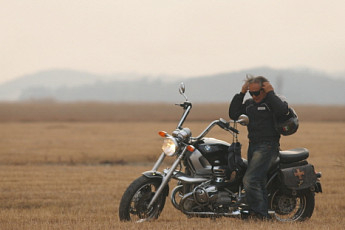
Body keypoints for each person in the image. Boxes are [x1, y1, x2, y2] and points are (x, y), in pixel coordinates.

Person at [229, 75, 289, 220]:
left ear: (264, 89)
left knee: (251, 180)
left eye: (257, 92)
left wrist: (271, 93)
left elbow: (283, 111)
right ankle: (261, 213)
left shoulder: (272, 102)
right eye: (251, 93)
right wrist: (242, 93)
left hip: (268, 146)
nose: (254, 96)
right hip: (253, 145)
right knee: (259, 180)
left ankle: (260, 215)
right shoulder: (249, 104)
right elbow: (233, 114)